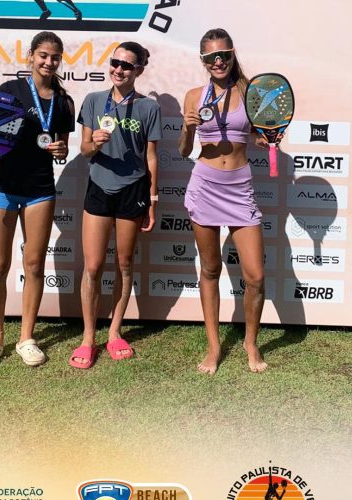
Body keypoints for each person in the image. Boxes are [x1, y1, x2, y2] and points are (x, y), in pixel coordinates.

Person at [0, 31, 75, 367]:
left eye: (55, 57)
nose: (49, 62)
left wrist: (60, 150)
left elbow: (62, 147)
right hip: (1, 186)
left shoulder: (64, 102)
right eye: (43, 55)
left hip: (40, 189)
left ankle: (26, 338)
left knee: (34, 265)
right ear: (31, 56)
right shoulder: (10, 90)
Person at [178, 28, 268, 375]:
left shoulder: (249, 91)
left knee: (255, 276)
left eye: (224, 55)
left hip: (240, 187)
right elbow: (184, 150)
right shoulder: (193, 96)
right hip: (205, 185)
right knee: (210, 269)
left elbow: (261, 134)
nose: (218, 61)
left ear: (232, 55)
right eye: (211, 57)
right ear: (203, 60)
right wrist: (187, 128)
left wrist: (265, 139)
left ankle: (250, 343)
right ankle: (214, 346)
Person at [69, 41, 162, 369]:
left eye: (127, 65)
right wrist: (93, 143)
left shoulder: (149, 108)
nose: (119, 69)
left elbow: (151, 157)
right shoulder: (94, 101)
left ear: (139, 70)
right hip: (99, 187)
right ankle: (88, 337)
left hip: (133, 189)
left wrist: (152, 200)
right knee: (93, 266)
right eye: (115, 63)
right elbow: (83, 150)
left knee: (124, 263)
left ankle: (114, 332)